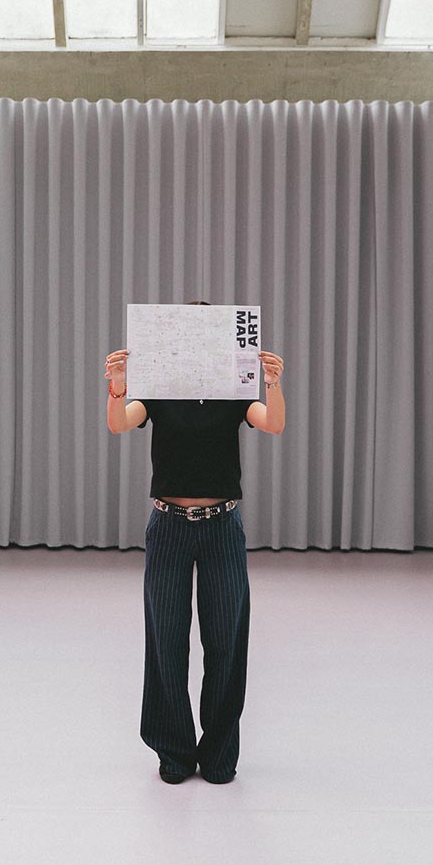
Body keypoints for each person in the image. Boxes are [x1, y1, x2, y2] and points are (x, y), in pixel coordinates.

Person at [105, 304, 285, 785]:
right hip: (169, 526)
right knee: (166, 639)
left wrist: (273, 382)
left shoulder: (234, 392)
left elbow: (273, 423)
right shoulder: (160, 390)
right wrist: (118, 384)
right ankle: (175, 752)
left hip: (221, 526)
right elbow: (120, 423)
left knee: (226, 639)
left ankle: (220, 753)